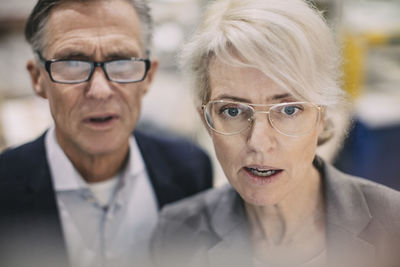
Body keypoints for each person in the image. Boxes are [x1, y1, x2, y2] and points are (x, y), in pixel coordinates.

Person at [151, 0, 400, 266]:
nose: (258, 142)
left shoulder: (393, 223)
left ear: (323, 116)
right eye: (233, 111)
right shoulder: (176, 234)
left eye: (289, 110)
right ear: (206, 119)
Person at [0, 0, 212, 267]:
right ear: (37, 79)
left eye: (121, 61)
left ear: (148, 75)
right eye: (73, 63)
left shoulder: (190, 170)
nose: (100, 91)